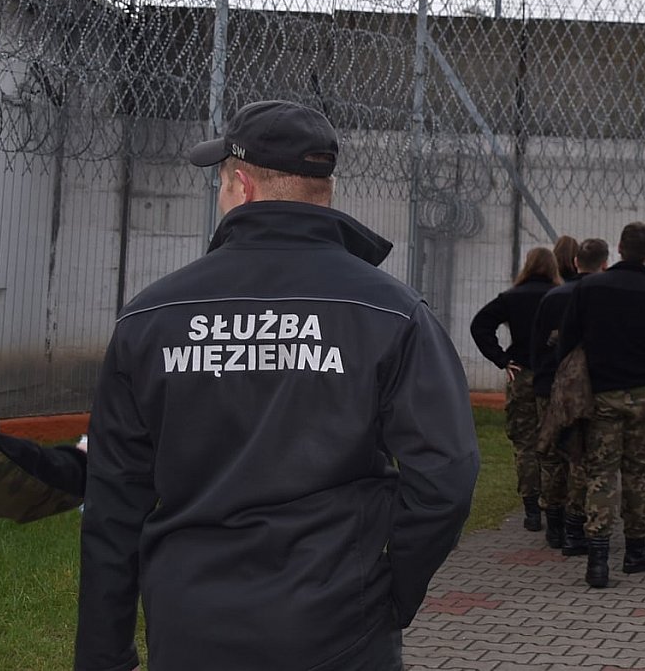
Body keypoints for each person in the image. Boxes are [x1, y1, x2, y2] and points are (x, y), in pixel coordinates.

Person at [77, 100, 479, 671]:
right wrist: (393, 593)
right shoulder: (392, 311)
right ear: (325, 190)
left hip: (192, 626)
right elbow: (446, 477)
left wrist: (102, 656)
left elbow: (114, 502)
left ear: (241, 186)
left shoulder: (151, 316)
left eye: (220, 184)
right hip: (338, 627)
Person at [556, 222, 645, 588]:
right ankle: (636, 550)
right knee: (638, 474)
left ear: (618, 249)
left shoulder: (590, 288)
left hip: (600, 393)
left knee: (600, 472)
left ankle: (597, 558)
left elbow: (567, 340)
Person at [470, 247, 561, 531]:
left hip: (521, 373)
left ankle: (531, 509)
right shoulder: (559, 296)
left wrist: (500, 358)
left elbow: (480, 325)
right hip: (552, 376)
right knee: (552, 443)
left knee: (525, 444)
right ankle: (553, 505)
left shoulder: (512, 297)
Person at [531, 237, 609, 553]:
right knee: (580, 458)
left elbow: (537, 345)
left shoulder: (553, 297)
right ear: (604, 264)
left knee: (552, 458)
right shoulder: (603, 297)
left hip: (550, 386)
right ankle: (576, 524)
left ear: (576, 262)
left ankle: (554, 524)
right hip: (588, 389)